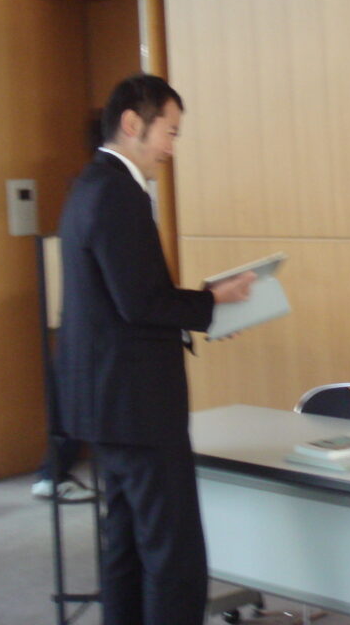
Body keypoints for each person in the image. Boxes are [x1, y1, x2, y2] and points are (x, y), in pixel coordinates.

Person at [53, 74, 255, 625]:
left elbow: (121, 304)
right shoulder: (120, 193)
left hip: (104, 406)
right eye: (170, 131)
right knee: (173, 556)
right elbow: (141, 302)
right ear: (132, 123)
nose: (172, 148)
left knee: (125, 547)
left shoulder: (87, 185)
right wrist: (213, 300)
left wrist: (203, 307)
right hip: (138, 409)